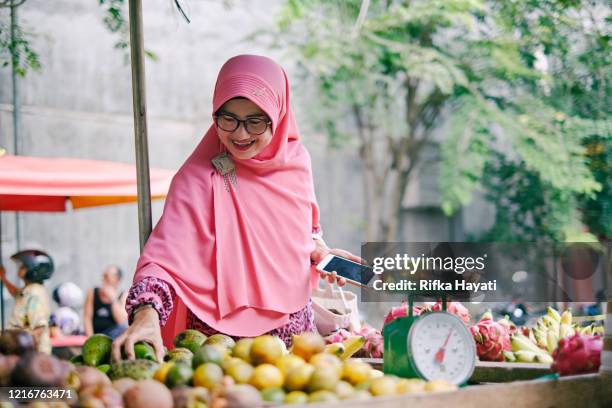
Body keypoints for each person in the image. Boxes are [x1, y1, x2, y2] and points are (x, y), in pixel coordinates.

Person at [113, 55, 360, 363]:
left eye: (255, 121)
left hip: (293, 336)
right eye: (228, 119)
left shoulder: (297, 163)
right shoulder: (197, 179)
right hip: (214, 345)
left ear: (279, 115)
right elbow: (163, 262)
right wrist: (146, 315)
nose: (240, 134)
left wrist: (320, 252)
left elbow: (305, 229)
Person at [0, 250, 54, 354]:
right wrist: (4, 278)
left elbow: (39, 328)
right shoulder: (28, 290)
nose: (19, 269)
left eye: (24, 266)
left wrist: (17, 345)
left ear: (34, 270)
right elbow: (16, 293)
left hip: (31, 353)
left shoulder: (35, 293)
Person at [84, 265, 128, 339]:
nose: (103, 279)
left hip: (114, 336)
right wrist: (90, 339)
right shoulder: (92, 292)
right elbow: (87, 318)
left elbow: (121, 322)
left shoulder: (123, 295)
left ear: (117, 279)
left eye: (107, 277)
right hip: (96, 335)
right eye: (103, 276)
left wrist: (112, 299)